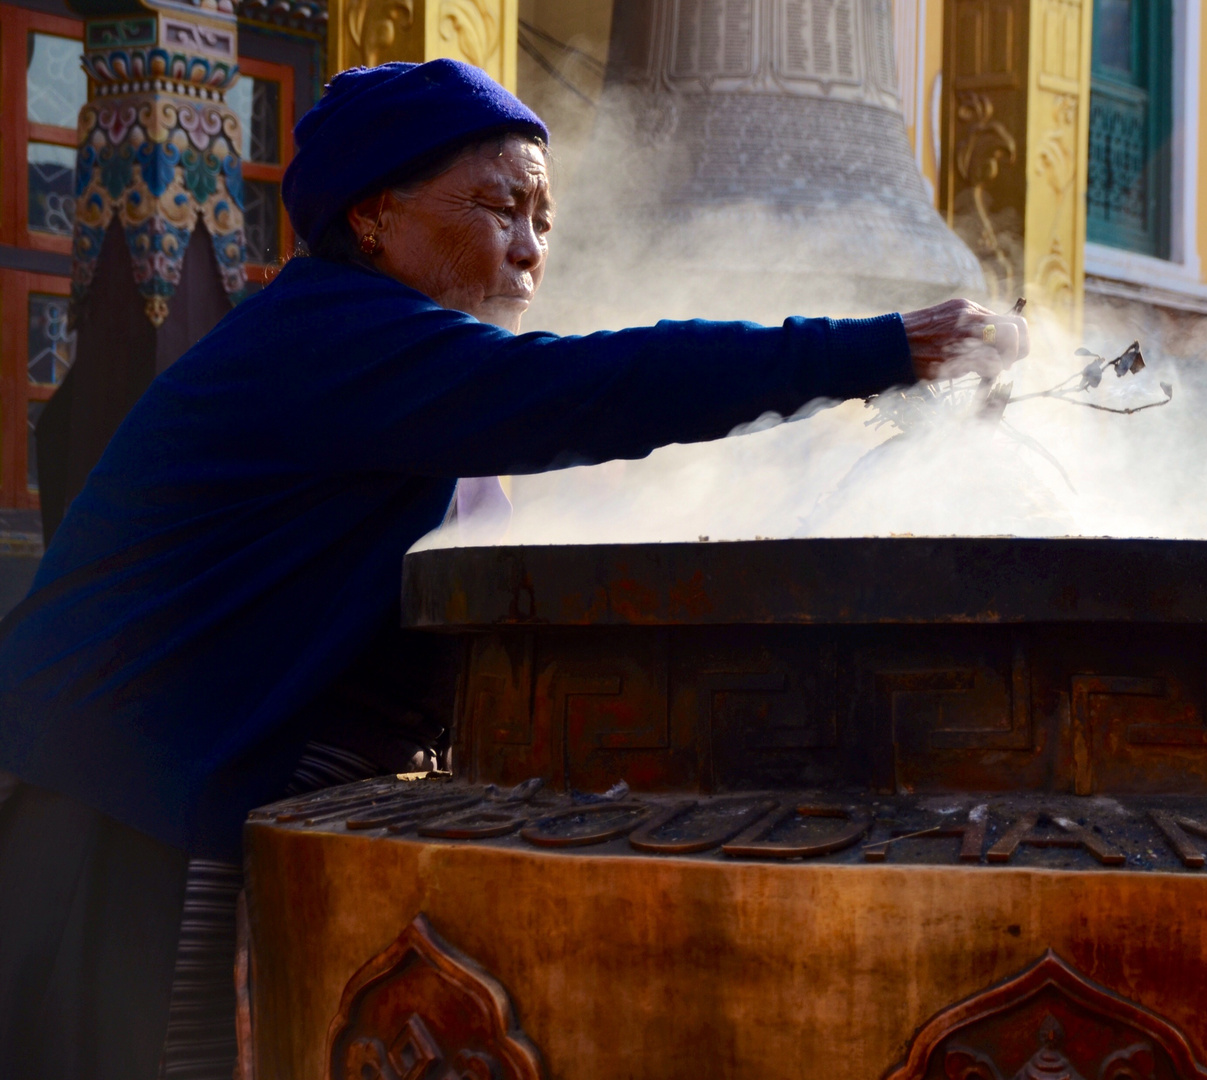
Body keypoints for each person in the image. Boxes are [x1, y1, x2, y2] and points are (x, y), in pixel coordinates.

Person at [0, 59, 1029, 1077]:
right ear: (373, 215)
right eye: (501, 207)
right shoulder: (334, 341)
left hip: (162, 780)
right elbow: (598, 390)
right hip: (107, 790)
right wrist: (879, 350)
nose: (531, 250)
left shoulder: (415, 380)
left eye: (545, 218)